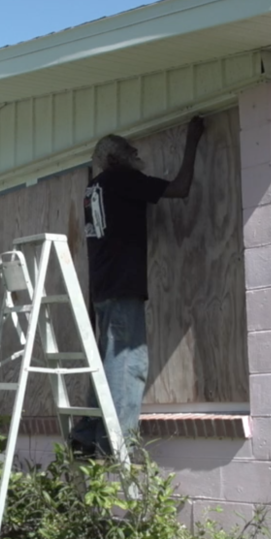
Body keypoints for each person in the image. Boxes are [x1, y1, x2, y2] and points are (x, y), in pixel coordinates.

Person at [70, 116, 206, 456]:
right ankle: (118, 442)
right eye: (132, 151)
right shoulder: (122, 179)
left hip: (102, 286)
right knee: (129, 362)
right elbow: (179, 188)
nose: (137, 155)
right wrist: (193, 140)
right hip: (122, 284)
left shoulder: (95, 187)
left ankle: (88, 432)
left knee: (107, 360)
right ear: (118, 157)